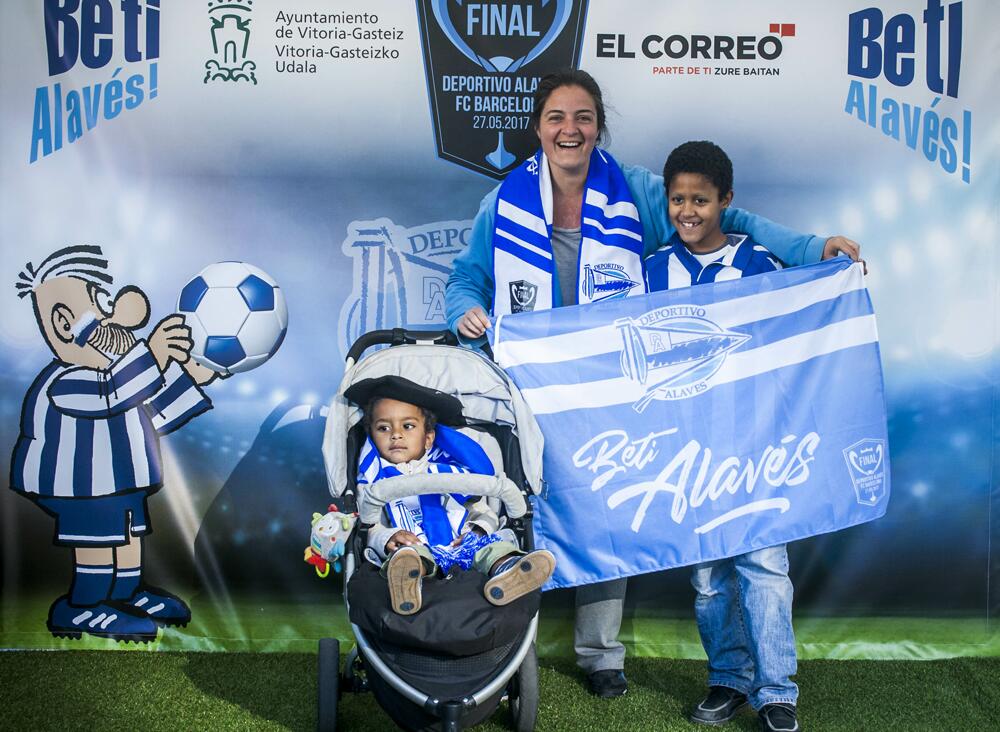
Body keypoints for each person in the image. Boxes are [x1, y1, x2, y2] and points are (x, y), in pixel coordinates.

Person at [444, 68, 861, 699]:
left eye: (583, 117)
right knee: (518, 513)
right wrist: (463, 313)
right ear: (538, 126)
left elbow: (732, 217)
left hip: (610, 391)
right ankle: (503, 651)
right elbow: (465, 281)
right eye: (557, 117)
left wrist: (809, 248)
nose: (570, 129)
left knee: (599, 509)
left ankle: (601, 655)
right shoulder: (500, 203)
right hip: (529, 385)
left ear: (598, 125)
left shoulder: (635, 190)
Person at [645, 140, 802, 732]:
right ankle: (728, 678)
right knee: (709, 577)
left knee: (763, 567)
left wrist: (838, 273)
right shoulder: (654, 270)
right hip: (692, 452)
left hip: (758, 448)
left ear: (725, 201)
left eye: (701, 200)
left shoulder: (761, 265)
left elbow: (799, 333)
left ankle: (776, 690)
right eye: (679, 199)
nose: (689, 211)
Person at [10, 245, 216, 642]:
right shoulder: (67, 380)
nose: (121, 318)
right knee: (99, 538)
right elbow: (112, 393)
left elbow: (150, 414)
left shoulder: (114, 377)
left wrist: (192, 377)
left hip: (118, 482)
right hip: (79, 486)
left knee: (128, 533)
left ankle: (126, 593)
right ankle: (81, 607)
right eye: (104, 305)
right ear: (64, 322)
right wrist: (153, 354)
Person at [350, 379, 555, 616]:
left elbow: (482, 512)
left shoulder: (452, 473)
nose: (395, 435)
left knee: (493, 547)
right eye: (384, 428)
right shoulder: (375, 482)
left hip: (465, 545)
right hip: (417, 549)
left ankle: (507, 572)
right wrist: (388, 537)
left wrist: (478, 530)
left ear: (428, 438)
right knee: (407, 557)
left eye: (408, 426)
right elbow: (371, 527)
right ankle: (408, 583)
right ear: (372, 436)